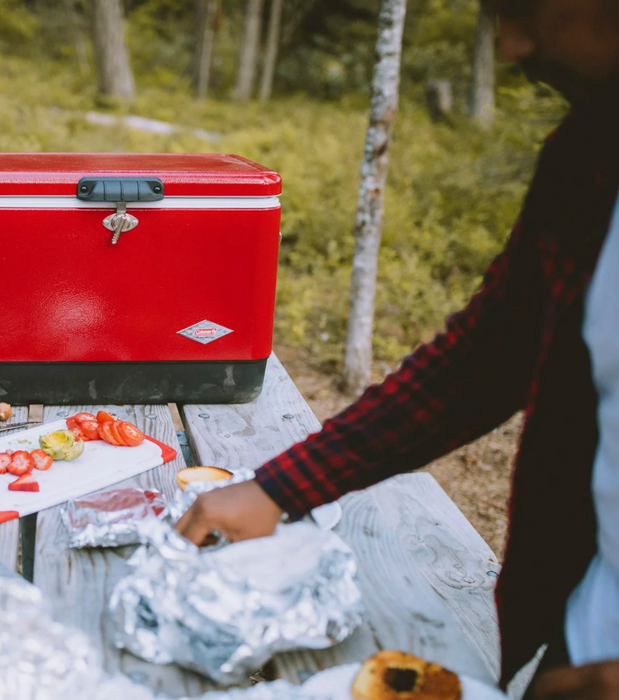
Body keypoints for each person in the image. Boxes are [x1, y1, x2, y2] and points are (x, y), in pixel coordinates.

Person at [175, 0, 619, 697]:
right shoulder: (589, 157)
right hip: (574, 628)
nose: (509, 44)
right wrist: (278, 488)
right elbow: (483, 361)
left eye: (525, 8)